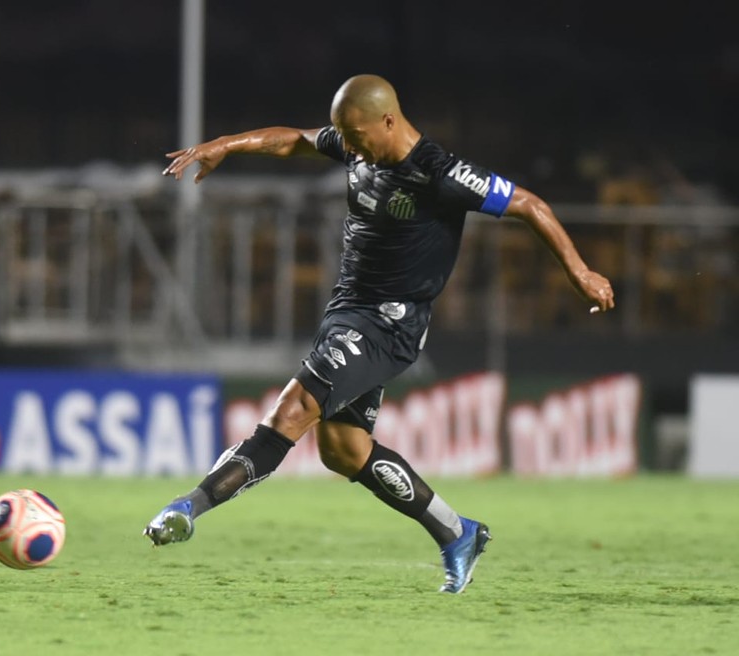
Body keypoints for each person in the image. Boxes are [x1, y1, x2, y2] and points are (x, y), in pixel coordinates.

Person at [144, 74, 615, 593]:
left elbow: (530, 205)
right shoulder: (356, 144)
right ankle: (458, 533)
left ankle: (189, 507)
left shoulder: (441, 173)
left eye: (356, 135)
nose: (346, 146)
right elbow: (294, 140)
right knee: (343, 450)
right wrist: (225, 146)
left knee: (293, 408)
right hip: (347, 313)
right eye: (342, 135)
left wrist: (579, 271)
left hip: (389, 323)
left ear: (389, 121)